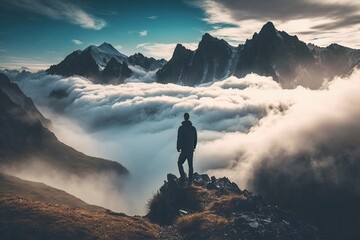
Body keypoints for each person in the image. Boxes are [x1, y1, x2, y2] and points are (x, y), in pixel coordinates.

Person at [177, 112, 197, 185]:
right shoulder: (193, 128)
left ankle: (182, 176)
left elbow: (179, 138)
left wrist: (178, 147)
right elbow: (195, 139)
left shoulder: (181, 128)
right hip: (190, 149)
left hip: (184, 149)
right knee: (190, 165)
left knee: (179, 163)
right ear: (188, 117)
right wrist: (193, 147)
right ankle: (190, 182)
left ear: (184, 118)